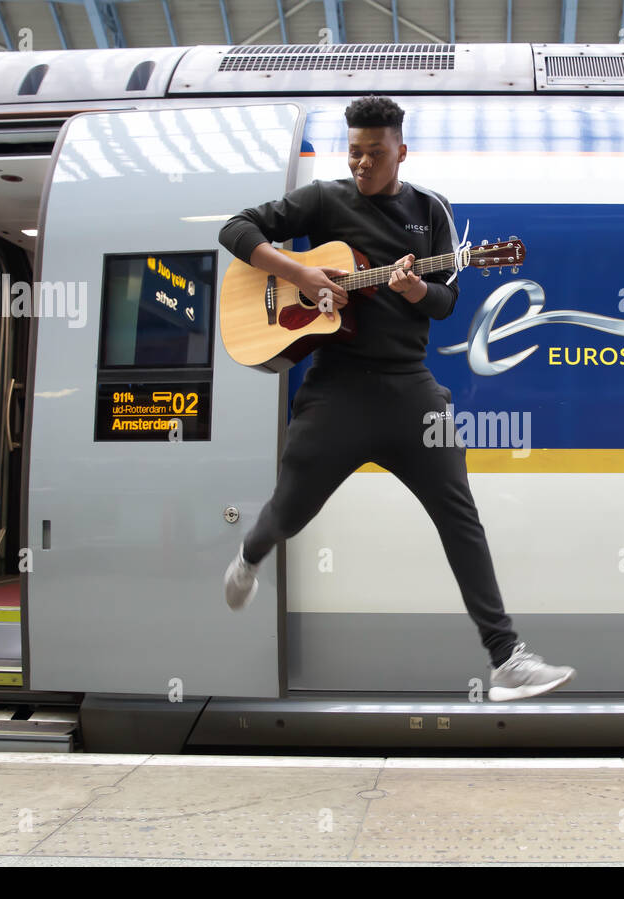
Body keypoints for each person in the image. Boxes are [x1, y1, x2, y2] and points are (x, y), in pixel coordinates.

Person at [218, 95, 575, 702]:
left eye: (374, 153)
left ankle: (506, 658)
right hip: (335, 388)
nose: (361, 163)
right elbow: (236, 229)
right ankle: (251, 554)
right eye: (354, 151)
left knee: (459, 513)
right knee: (290, 510)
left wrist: (414, 291)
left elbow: (447, 302)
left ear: (400, 152)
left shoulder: (431, 210)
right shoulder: (325, 200)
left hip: (411, 389)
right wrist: (300, 273)